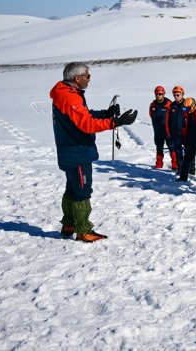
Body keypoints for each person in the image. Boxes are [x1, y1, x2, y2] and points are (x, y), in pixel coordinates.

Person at [50, 62, 137, 242]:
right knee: (82, 190)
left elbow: (85, 115)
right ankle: (83, 230)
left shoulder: (67, 93)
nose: (89, 80)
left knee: (72, 188)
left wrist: (106, 113)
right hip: (77, 151)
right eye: (87, 76)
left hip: (70, 150)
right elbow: (87, 125)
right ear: (77, 78)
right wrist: (115, 122)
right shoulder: (70, 98)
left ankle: (69, 224)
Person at [177, 97, 196, 181]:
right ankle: (183, 178)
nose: (186, 110)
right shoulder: (187, 113)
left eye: (188, 108)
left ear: (193, 106)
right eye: (185, 108)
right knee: (187, 159)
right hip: (190, 140)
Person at [149, 85, 171, 168]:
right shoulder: (153, 105)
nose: (158, 96)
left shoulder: (169, 104)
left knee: (171, 147)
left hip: (168, 130)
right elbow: (151, 115)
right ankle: (159, 164)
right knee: (159, 147)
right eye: (157, 94)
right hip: (158, 130)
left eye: (160, 94)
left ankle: (175, 165)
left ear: (163, 94)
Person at [166, 85, 186, 172]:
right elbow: (167, 121)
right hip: (175, 133)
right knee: (178, 152)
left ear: (182, 94)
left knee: (189, 153)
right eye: (174, 95)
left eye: (178, 95)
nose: (176, 97)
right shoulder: (171, 106)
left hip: (186, 133)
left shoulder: (188, 104)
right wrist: (169, 133)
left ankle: (191, 171)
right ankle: (181, 170)